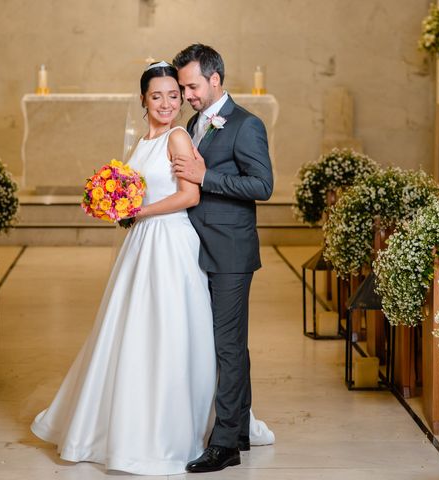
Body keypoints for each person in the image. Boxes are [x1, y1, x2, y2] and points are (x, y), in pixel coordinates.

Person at [30, 61, 217, 475]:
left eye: (173, 95)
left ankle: (164, 431)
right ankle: (121, 424)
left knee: (166, 330)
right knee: (131, 330)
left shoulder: (178, 137)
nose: (167, 103)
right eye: (157, 96)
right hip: (142, 243)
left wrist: (139, 210)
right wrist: (112, 202)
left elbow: (190, 196)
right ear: (143, 100)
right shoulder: (143, 140)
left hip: (170, 243)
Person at [171, 44, 274, 473]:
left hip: (230, 251)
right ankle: (242, 430)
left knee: (227, 346)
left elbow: (262, 185)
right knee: (230, 344)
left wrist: (205, 177)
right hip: (199, 247)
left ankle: (226, 443)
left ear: (215, 79)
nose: (187, 96)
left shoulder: (247, 125)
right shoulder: (196, 123)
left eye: (192, 86)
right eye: (183, 88)